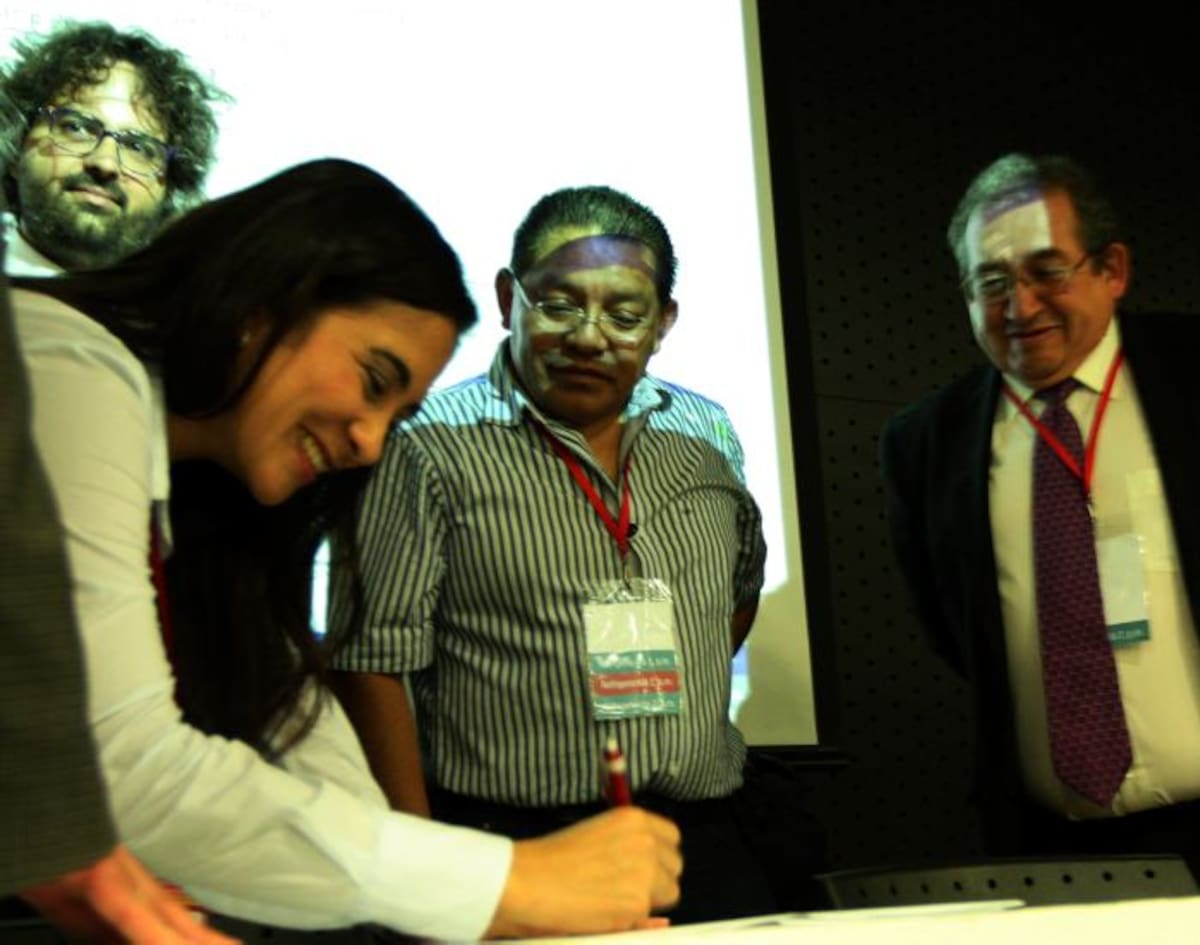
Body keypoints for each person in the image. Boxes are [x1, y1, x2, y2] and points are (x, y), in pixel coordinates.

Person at [12, 158, 681, 940]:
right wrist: (512, 882)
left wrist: (455, 901)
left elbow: (298, 722)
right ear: (264, 300)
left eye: (398, 416)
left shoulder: (210, 507)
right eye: (373, 379)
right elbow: (121, 771)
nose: (368, 445)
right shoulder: (63, 364)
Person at [329, 185, 775, 923]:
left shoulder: (706, 436)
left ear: (663, 322)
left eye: (625, 314)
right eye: (560, 304)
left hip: (702, 837)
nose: (590, 336)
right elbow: (370, 662)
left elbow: (736, 591)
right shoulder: (424, 444)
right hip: (513, 838)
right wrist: (423, 873)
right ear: (509, 299)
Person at [881, 152, 1200, 872]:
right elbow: (953, 631)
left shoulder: (1191, 375)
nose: (1020, 307)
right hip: (1049, 850)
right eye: (990, 283)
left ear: (1111, 269)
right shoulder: (924, 443)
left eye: (1046, 271)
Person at [2, 20, 223, 274]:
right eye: (76, 128)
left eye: (139, 148)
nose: (105, 163)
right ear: (17, 147)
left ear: (170, 189)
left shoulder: (185, 310)